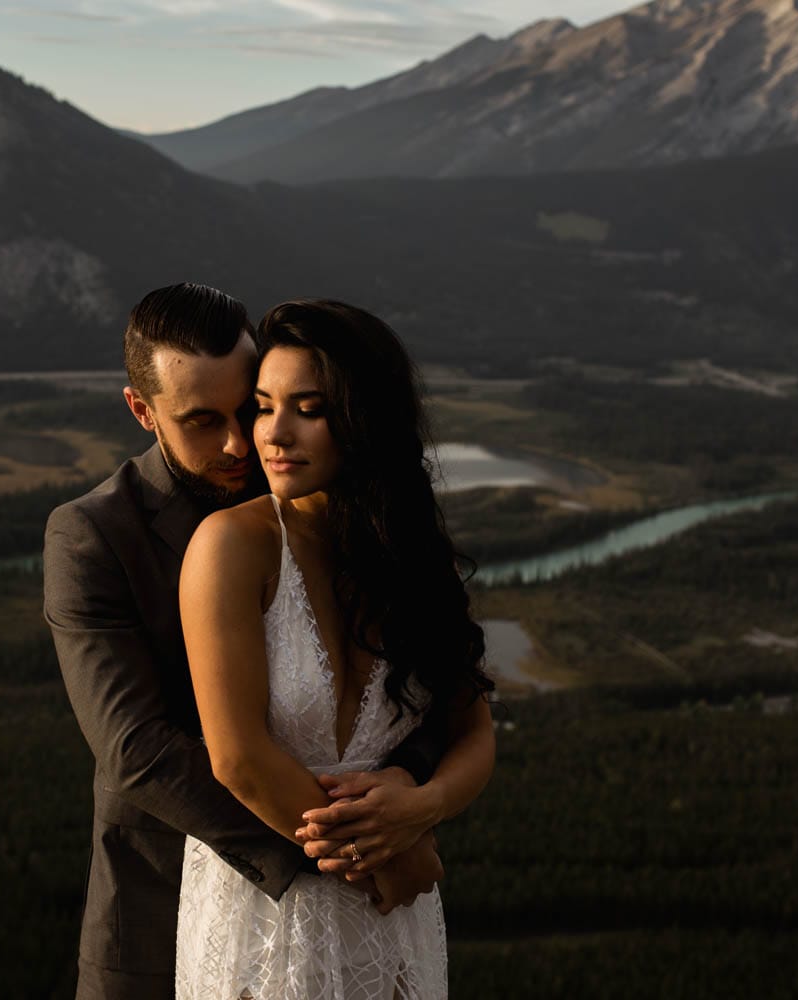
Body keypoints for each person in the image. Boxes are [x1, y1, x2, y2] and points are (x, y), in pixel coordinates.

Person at [43, 284, 447, 1000]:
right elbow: (139, 751)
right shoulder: (94, 537)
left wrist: (406, 794)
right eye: (202, 421)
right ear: (142, 411)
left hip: (370, 911)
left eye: (249, 405)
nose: (243, 443)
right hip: (162, 910)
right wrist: (356, 857)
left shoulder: (328, 499)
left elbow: (417, 676)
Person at [174, 299, 496, 1000]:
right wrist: (387, 857)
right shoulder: (232, 546)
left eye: (308, 408)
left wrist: (425, 807)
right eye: (263, 406)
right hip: (273, 912)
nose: (274, 433)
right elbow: (237, 759)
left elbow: (474, 732)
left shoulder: (411, 560)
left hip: (398, 915)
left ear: (363, 418)